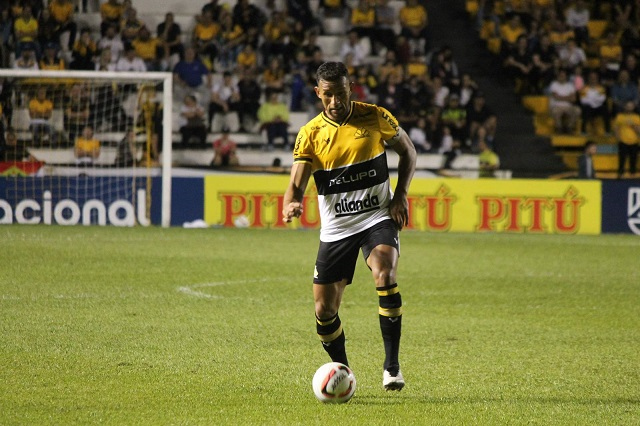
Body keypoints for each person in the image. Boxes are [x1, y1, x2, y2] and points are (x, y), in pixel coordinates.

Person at [282, 61, 416, 391]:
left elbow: (408, 152)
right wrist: (292, 202)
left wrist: (399, 196)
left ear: (350, 88)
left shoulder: (375, 116)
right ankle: (344, 372)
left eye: (340, 94)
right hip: (336, 229)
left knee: (385, 272)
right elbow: (296, 184)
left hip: (376, 217)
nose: (335, 101)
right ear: (318, 93)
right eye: (328, 95)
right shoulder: (310, 134)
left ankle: (392, 367)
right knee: (324, 310)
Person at [613, 100, 640, 178]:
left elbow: (639, 131)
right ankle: (620, 174)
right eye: (627, 106)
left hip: (634, 141)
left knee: (633, 159)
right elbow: (616, 128)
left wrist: (632, 125)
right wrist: (619, 139)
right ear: (625, 107)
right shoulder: (620, 116)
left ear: (633, 107)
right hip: (623, 141)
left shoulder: (637, 117)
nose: (629, 108)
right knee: (622, 159)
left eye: (631, 106)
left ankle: (633, 174)